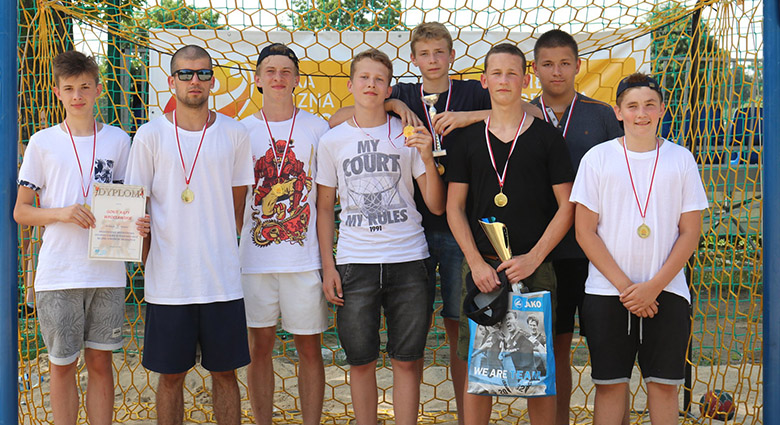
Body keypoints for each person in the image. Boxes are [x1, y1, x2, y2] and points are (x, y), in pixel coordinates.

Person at [329, 24, 542, 421]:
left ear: (451, 56)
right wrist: (393, 104)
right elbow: (338, 117)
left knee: (460, 324)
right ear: (413, 59)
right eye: (424, 53)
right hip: (413, 231)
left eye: (439, 52)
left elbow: (528, 111)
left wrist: (469, 117)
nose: (432, 60)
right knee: (415, 331)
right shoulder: (402, 93)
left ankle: (465, 415)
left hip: (464, 226)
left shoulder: (473, 92)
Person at [13, 50, 149, 425]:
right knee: (62, 366)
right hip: (59, 273)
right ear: (58, 92)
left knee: (101, 362)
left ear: (98, 90)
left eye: (85, 87)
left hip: (106, 272)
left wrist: (138, 223)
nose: (78, 96)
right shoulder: (42, 142)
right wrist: (62, 213)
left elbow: (129, 200)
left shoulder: (119, 140)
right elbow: (21, 211)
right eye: (70, 88)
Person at [446, 43, 575, 425]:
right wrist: (474, 263)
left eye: (512, 73)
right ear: (484, 80)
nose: (504, 80)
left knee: (538, 372)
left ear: (526, 78)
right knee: (480, 371)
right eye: (496, 73)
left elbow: (568, 206)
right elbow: (454, 207)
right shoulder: (467, 140)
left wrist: (534, 257)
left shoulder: (548, 138)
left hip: (534, 268)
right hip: (482, 271)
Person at [315, 48, 445, 425]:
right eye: (364, 77)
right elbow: (324, 208)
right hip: (355, 263)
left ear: (389, 89)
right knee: (361, 362)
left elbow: (436, 205)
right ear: (350, 84)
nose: (371, 84)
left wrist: (428, 156)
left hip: (409, 260)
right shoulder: (332, 140)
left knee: (407, 361)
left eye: (379, 79)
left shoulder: (407, 135)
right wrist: (329, 266)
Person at [125, 45, 254, 425]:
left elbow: (237, 204)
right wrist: (148, 259)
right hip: (169, 283)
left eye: (202, 73)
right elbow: (136, 206)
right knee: (170, 377)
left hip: (221, 281)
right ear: (171, 81)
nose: (194, 80)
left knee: (226, 374)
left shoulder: (235, 133)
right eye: (185, 73)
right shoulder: (149, 135)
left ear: (213, 81)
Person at [570, 73, 708, 424]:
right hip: (607, 292)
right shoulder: (598, 159)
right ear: (618, 112)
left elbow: (690, 232)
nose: (641, 113)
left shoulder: (681, 159)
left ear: (662, 109)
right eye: (632, 106)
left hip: (667, 292)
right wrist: (627, 288)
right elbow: (584, 231)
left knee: (664, 388)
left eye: (649, 105)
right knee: (610, 387)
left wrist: (653, 287)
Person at [529, 29, 624, 425]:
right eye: (548, 64)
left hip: (597, 252)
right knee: (554, 351)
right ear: (534, 69)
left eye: (565, 63)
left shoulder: (602, 115)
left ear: (578, 66)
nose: (557, 71)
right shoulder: (521, 115)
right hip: (545, 253)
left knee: (609, 353)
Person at [237, 43, 329, 425]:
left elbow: (325, 199)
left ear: (297, 79)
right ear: (258, 79)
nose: (278, 77)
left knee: (309, 349)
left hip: (302, 260)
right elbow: (236, 198)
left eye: (286, 71)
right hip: (254, 261)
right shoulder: (241, 131)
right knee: (259, 348)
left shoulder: (317, 128)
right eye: (270, 71)